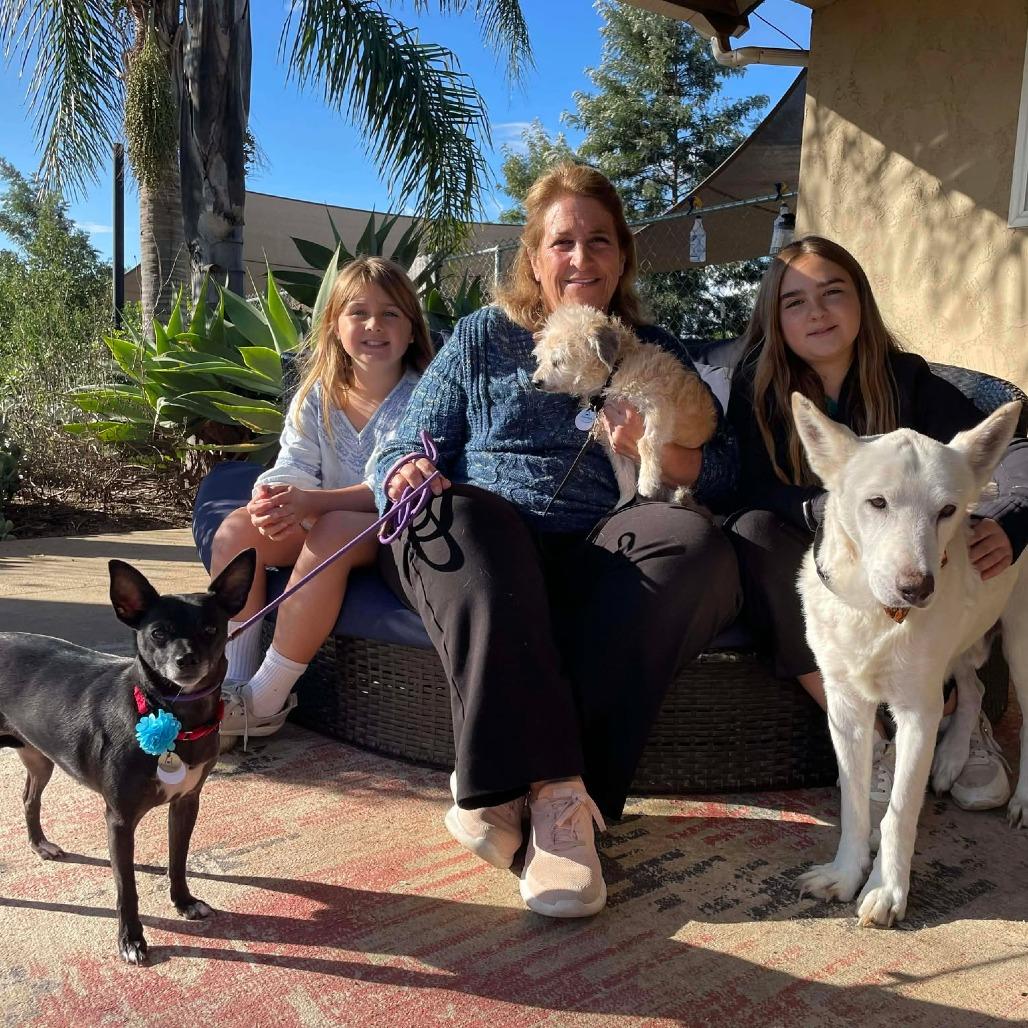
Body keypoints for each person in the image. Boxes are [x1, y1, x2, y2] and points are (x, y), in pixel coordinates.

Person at [373, 162, 742, 919]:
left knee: (693, 545)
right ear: (534, 259)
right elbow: (404, 441)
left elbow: (729, 468)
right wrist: (405, 465)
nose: (581, 259)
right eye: (562, 242)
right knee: (464, 518)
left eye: (599, 241)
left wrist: (657, 451)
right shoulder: (482, 338)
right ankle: (558, 810)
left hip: (606, 541)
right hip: (489, 539)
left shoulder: (652, 347)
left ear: (623, 256)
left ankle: (523, 805)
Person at [723, 235, 1028, 818]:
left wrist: (1008, 519)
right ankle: (879, 741)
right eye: (795, 301)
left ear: (861, 302)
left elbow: (1017, 454)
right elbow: (747, 485)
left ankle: (963, 713)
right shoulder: (757, 390)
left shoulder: (912, 381)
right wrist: (821, 509)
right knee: (754, 533)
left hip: (913, 565)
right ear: (774, 317)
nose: (816, 311)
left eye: (833, 292)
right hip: (815, 554)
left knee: (949, 549)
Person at [209, 256, 434, 739]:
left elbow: (388, 487)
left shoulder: (423, 397)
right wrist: (274, 497)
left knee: (331, 530)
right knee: (236, 532)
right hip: (322, 517)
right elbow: (295, 458)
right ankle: (233, 681)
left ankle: (267, 697)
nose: (374, 325)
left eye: (391, 313)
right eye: (359, 312)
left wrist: (312, 505)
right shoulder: (318, 394)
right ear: (335, 326)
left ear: (412, 330)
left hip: (390, 530)